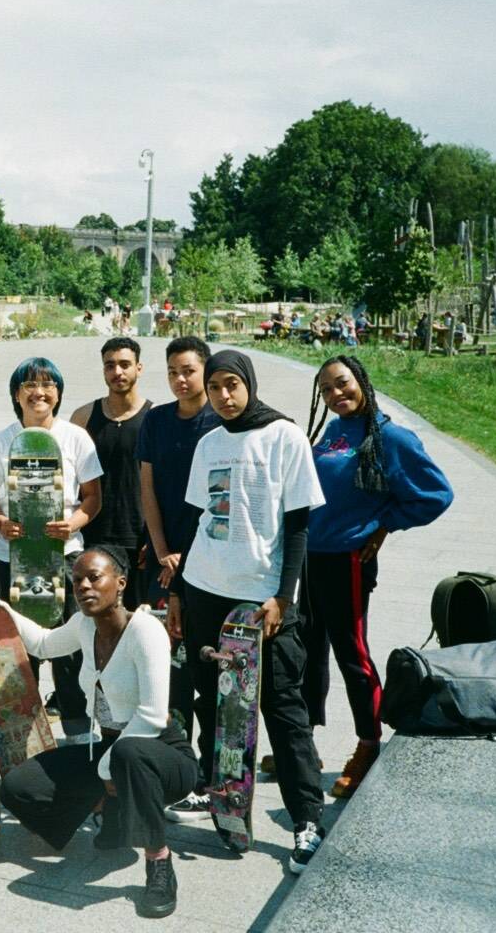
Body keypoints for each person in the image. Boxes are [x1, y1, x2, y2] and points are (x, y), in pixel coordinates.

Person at [164, 349, 329, 874]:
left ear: (249, 385)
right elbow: (196, 520)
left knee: (283, 706)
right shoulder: (209, 442)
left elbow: (299, 526)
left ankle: (307, 818)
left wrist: (284, 595)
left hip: (262, 599)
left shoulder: (284, 436)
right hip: (205, 589)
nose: (224, 396)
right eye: (215, 388)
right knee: (213, 701)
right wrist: (176, 593)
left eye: (232, 385)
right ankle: (220, 795)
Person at [0, 547, 197, 919]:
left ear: (120, 583)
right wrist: (0, 609)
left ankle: (159, 863)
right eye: (77, 581)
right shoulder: (84, 625)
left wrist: (107, 769)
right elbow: (42, 643)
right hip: (110, 750)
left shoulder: (145, 631)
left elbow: (153, 716)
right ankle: (111, 809)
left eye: (94, 577)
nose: (84, 586)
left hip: (162, 756)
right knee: (17, 787)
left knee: (127, 754)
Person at [295, 355, 452, 796]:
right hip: (313, 555)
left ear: (361, 380)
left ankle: (368, 743)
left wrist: (384, 526)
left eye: (342, 384)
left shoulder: (391, 437)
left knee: (352, 654)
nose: (335, 395)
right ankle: (304, 743)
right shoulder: (332, 431)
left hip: (348, 561)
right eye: (326, 389)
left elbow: (436, 495)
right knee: (309, 647)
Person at [0, 356, 102, 733]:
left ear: (58, 393)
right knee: (20, 647)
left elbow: (93, 497)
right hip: (13, 560)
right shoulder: (0, 442)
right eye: (29, 385)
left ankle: (77, 731)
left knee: (69, 648)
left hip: (66, 558)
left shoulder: (76, 437)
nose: (39, 392)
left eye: (48, 385)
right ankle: (23, 734)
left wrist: (75, 522)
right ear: (16, 395)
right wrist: (0, 522)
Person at [135, 336, 222, 821]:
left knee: (206, 672)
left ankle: (212, 775)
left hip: (207, 565)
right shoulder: (157, 420)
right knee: (169, 672)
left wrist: (187, 553)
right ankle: (179, 772)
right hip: (164, 566)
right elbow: (147, 488)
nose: (180, 379)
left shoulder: (220, 423)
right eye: (173, 371)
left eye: (188, 370)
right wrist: (163, 548)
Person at [70, 337, 152, 614]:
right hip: (92, 537)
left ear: (139, 368)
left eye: (125, 365)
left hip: (137, 540)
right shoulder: (82, 417)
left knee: (136, 620)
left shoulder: (156, 418)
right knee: (92, 621)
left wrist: (154, 539)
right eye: (110, 365)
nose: (118, 372)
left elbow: (164, 487)